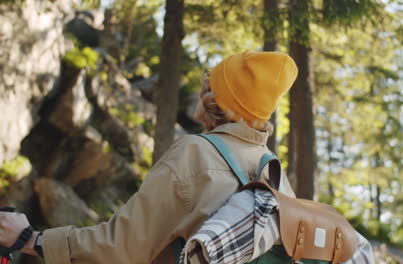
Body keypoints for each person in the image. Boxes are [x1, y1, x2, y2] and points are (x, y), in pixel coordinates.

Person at [0, 51, 298, 264]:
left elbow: (123, 247)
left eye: (209, 81)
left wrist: (30, 239)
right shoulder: (275, 176)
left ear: (215, 98)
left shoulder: (195, 152)